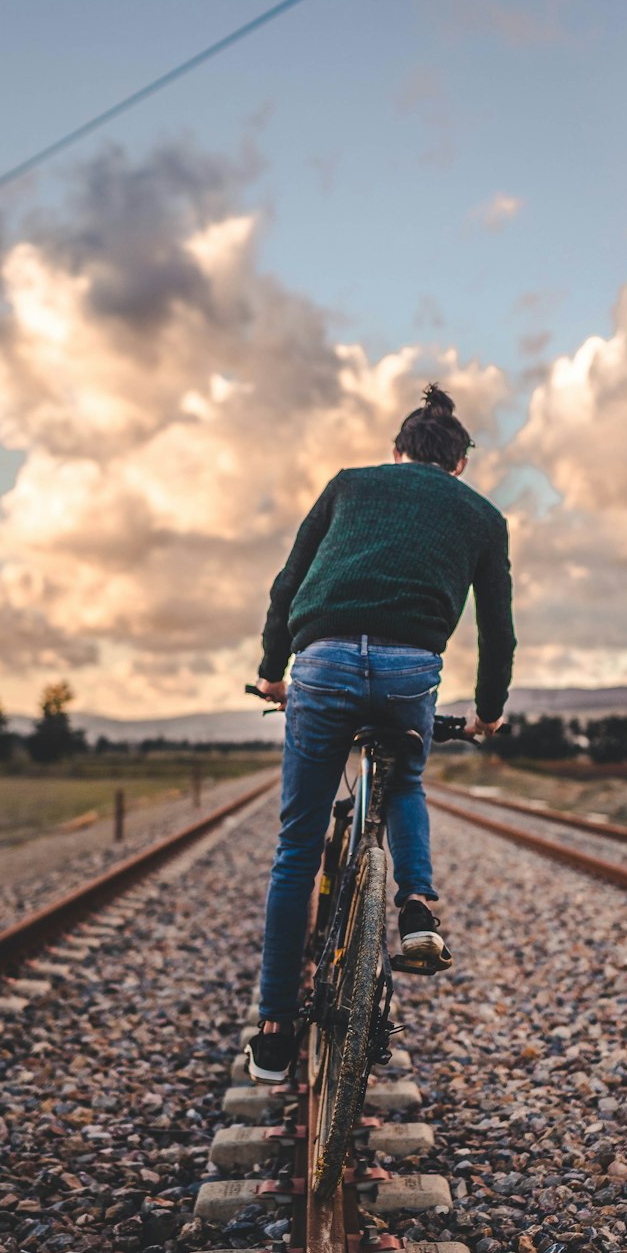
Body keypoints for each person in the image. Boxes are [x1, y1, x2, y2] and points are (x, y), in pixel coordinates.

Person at [245, 383, 516, 1082]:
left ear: (396, 452)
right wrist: (487, 711)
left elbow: (286, 585)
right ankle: (417, 907)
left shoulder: (348, 486)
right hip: (408, 674)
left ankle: (274, 1029)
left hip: (325, 660)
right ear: (458, 464)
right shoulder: (482, 516)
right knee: (408, 777)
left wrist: (274, 672)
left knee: (296, 848)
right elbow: (497, 631)